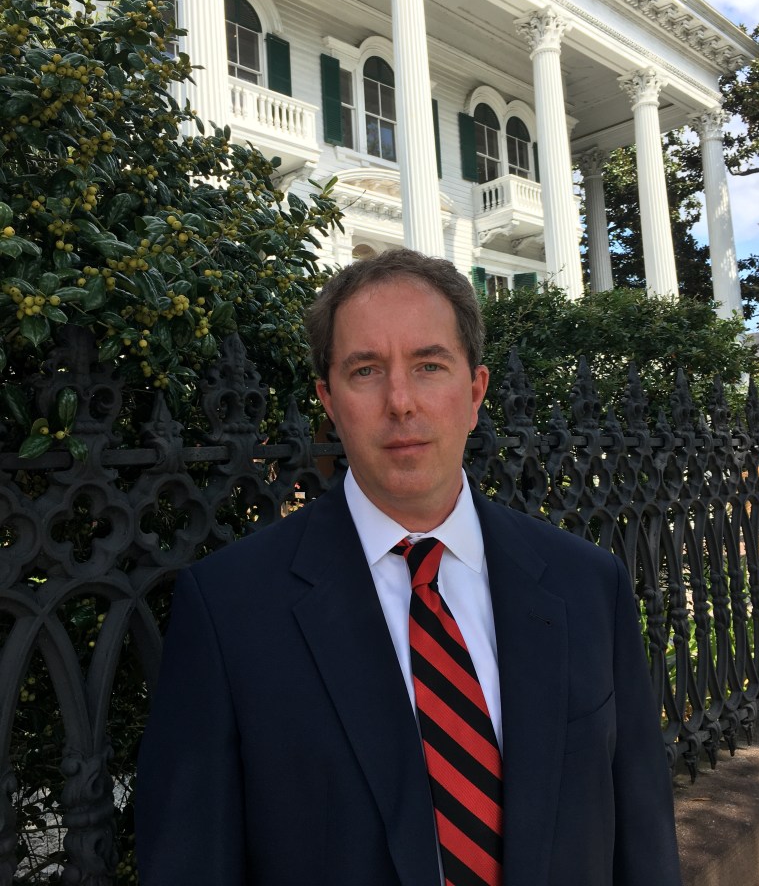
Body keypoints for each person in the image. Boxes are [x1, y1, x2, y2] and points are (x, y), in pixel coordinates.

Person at [136, 248, 682, 886]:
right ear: (329, 400)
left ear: (474, 392)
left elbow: (642, 839)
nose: (400, 401)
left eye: (429, 365)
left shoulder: (588, 585)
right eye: (366, 370)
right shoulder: (229, 609)